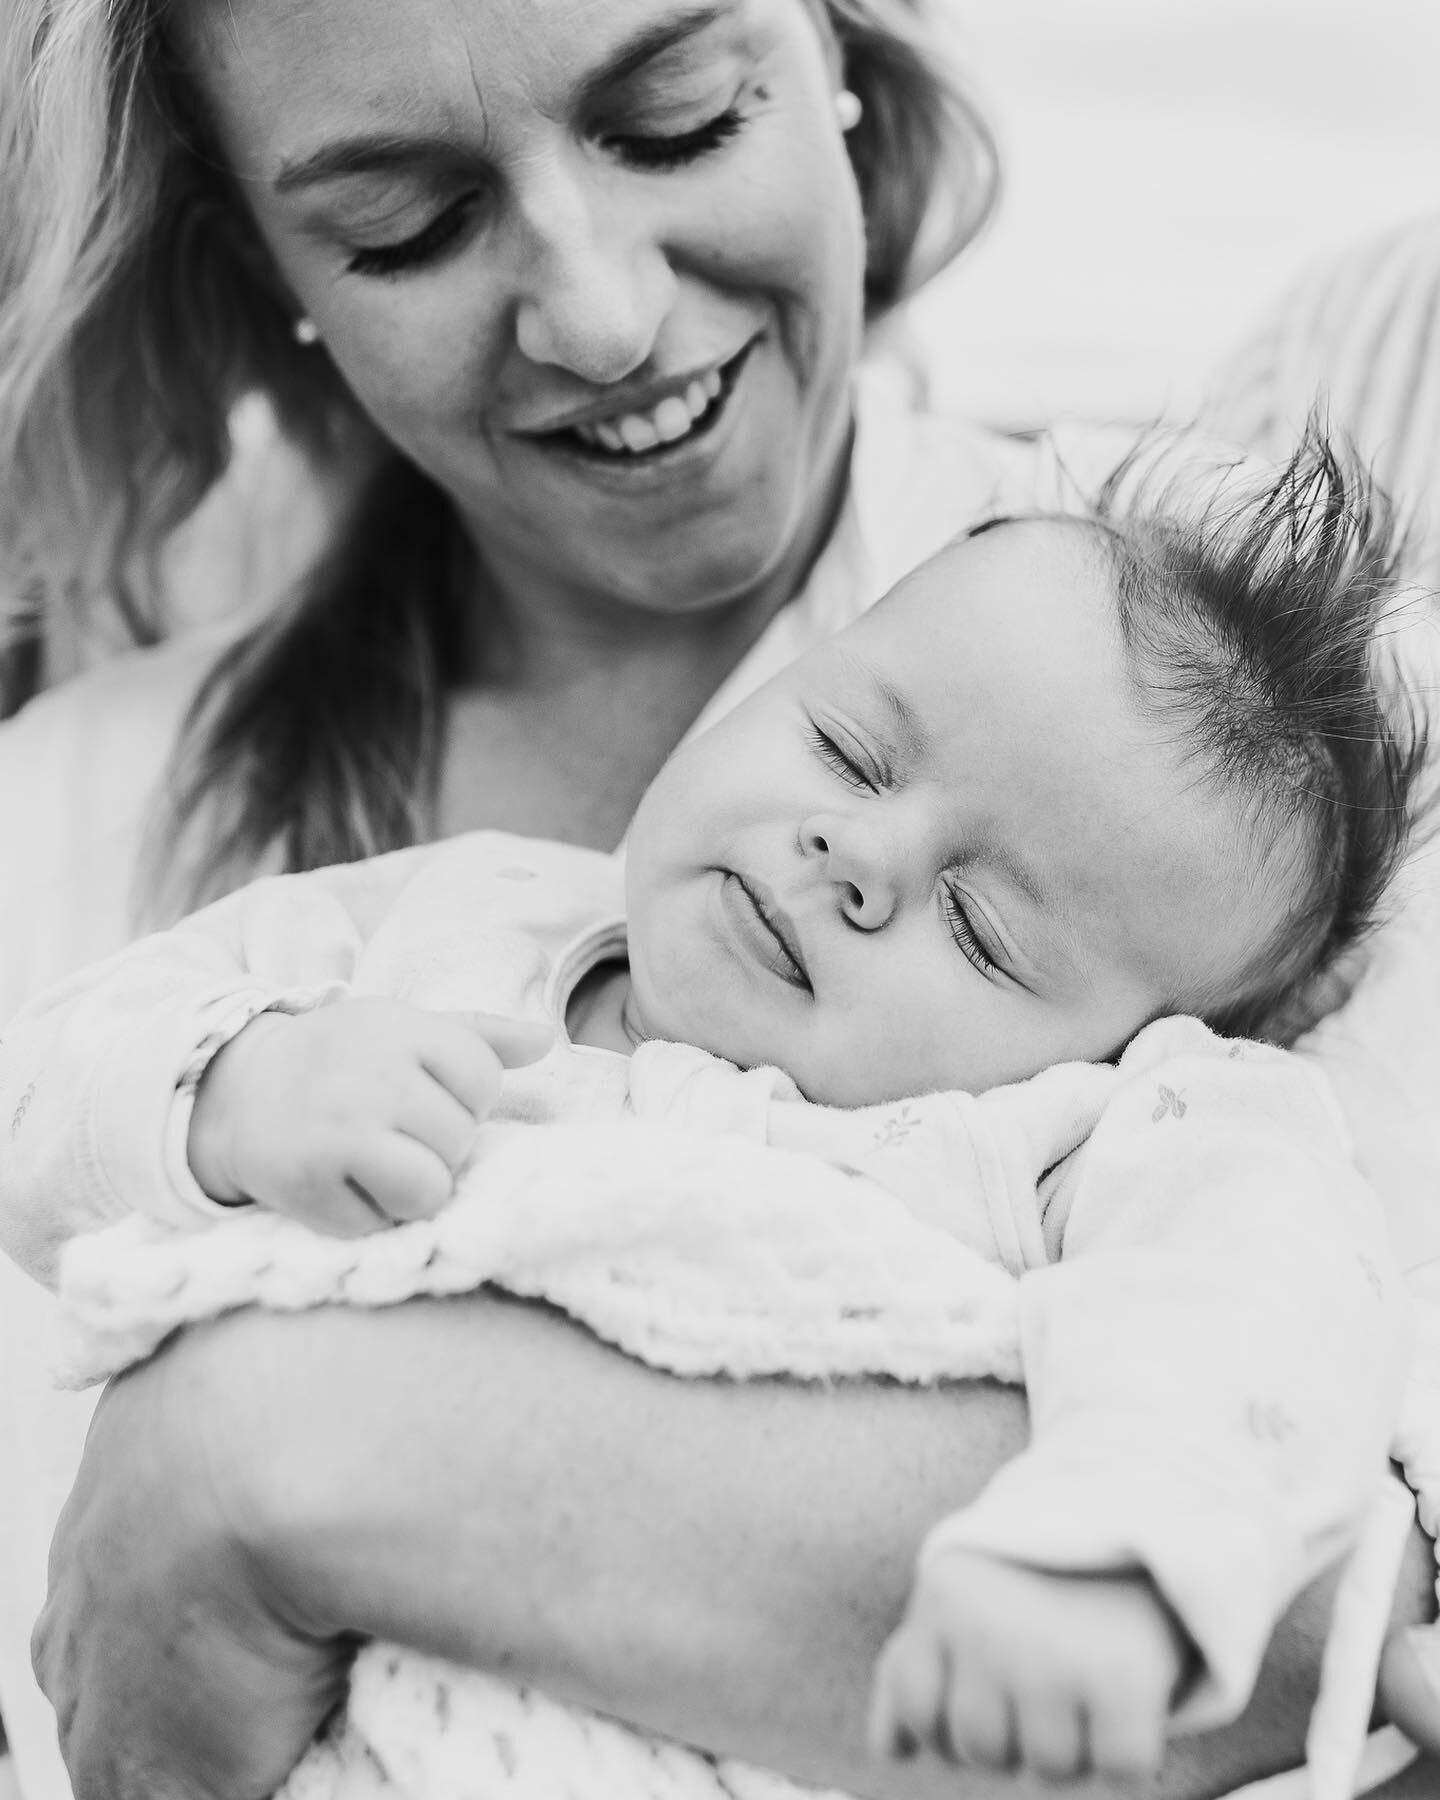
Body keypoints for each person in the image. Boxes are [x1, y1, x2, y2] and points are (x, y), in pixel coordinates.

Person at [1, 0, 1437, 1796]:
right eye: (406, 224)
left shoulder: (1163, 819)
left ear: (840, 50)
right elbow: (65, 1094)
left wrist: (1114, 1551)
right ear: (260, 251)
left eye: (678, 120)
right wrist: (222, 1090)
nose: (600, 316)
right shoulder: (433, 913)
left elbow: (1314, 1484)